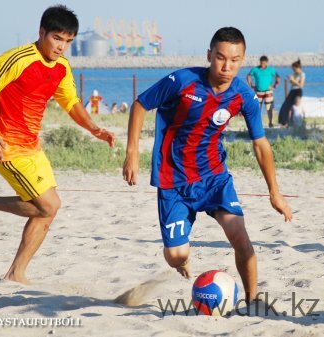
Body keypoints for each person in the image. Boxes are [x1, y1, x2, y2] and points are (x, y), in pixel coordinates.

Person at [122, 27, 292, 304]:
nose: (227, 66)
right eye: (221, 58)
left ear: (243, 59)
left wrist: (275, 191)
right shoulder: (183, 81)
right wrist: (132, 153)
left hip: (213, 178)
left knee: (240, 237)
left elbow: (260, 144)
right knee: (176, 255)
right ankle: (182, 262)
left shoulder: (243, 96)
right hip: (172, 180)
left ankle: (253, 301)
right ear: (209, 55)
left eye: (235, 60)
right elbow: (140, 105)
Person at [0, 5, 115, 284]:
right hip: (6, 146)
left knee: (49, 211)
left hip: (32, 147)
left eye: (68, 41)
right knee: (47, 205)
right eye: (57, 38)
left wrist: (95, 129)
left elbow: (71, 103)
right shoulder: (16, 59)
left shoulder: (61, 67)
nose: (62, 47)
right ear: (42, 33)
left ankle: (16, 273)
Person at [246, 56, 280, 128]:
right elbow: (248, 76)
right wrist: (251, 85)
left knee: (269, 107)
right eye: (261, 63)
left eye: (264, 63)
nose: (262, 64)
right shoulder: (255, 69)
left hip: (268, 91)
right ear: (260, 62)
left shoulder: (270, 69)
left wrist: (274, 86)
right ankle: (257, 123)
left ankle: (270, 122)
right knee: (257, 108)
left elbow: (278, 76)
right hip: (258, 91)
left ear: (266, 63)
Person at [278, 59, 305, 127]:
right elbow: (292, 83)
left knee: (295, 107)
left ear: (298, 68)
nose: (294, 70)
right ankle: (284, 122)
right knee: (286, 106)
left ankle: (295, 122)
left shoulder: (302, 74)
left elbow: (301, 85)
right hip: (292, 90)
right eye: (293, 69)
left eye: (294, 69)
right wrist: (291, 79)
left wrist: (293, 80)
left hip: (298, 91)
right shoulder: (294, 74)